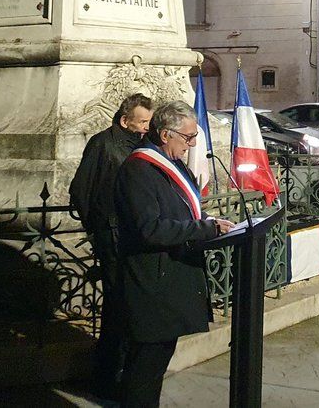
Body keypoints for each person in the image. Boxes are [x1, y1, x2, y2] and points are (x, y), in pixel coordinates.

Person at [113, 101, 235, 408]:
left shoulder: (173, 165)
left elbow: (179, 211)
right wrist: (204, 229)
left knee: (155, 364)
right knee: (144, 368)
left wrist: (205, 225)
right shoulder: (138, 169)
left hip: (171, 278)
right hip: (152, 282)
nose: (192, 144)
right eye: (188, 137)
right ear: (166, 135)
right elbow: (149, 229)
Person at [67, 92, 153, 399]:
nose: (146, 127)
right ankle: (107, 376)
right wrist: (99, 228)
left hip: (134, 237)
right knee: (117, 308)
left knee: (132, 307)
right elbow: (80, 190)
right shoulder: (103, 144)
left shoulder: (144, 145)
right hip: (112, 237)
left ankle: (125, 374)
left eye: (148, 122)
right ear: (124, 120)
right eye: (141, 121)